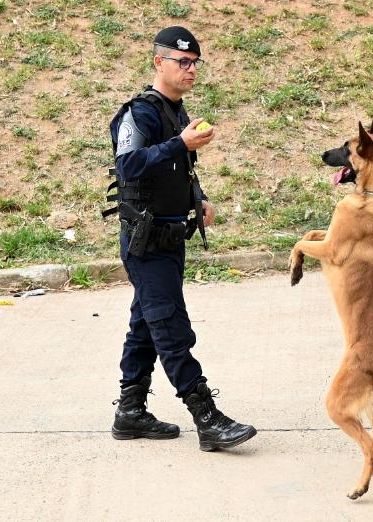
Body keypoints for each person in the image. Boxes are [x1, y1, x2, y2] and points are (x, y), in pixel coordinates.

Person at [106, 26, 256, 451]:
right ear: (159, 62)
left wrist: (199, 198)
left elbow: (178, 170)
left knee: (145, 326)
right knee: (171, 328)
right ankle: (206, 416)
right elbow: (129, 166)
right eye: (182, 62)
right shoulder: (139, 113)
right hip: (146, 242)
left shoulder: (178, 112)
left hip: (171, 237)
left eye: (195, 63)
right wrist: (179, 143)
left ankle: (130, 412)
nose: (191, 69)